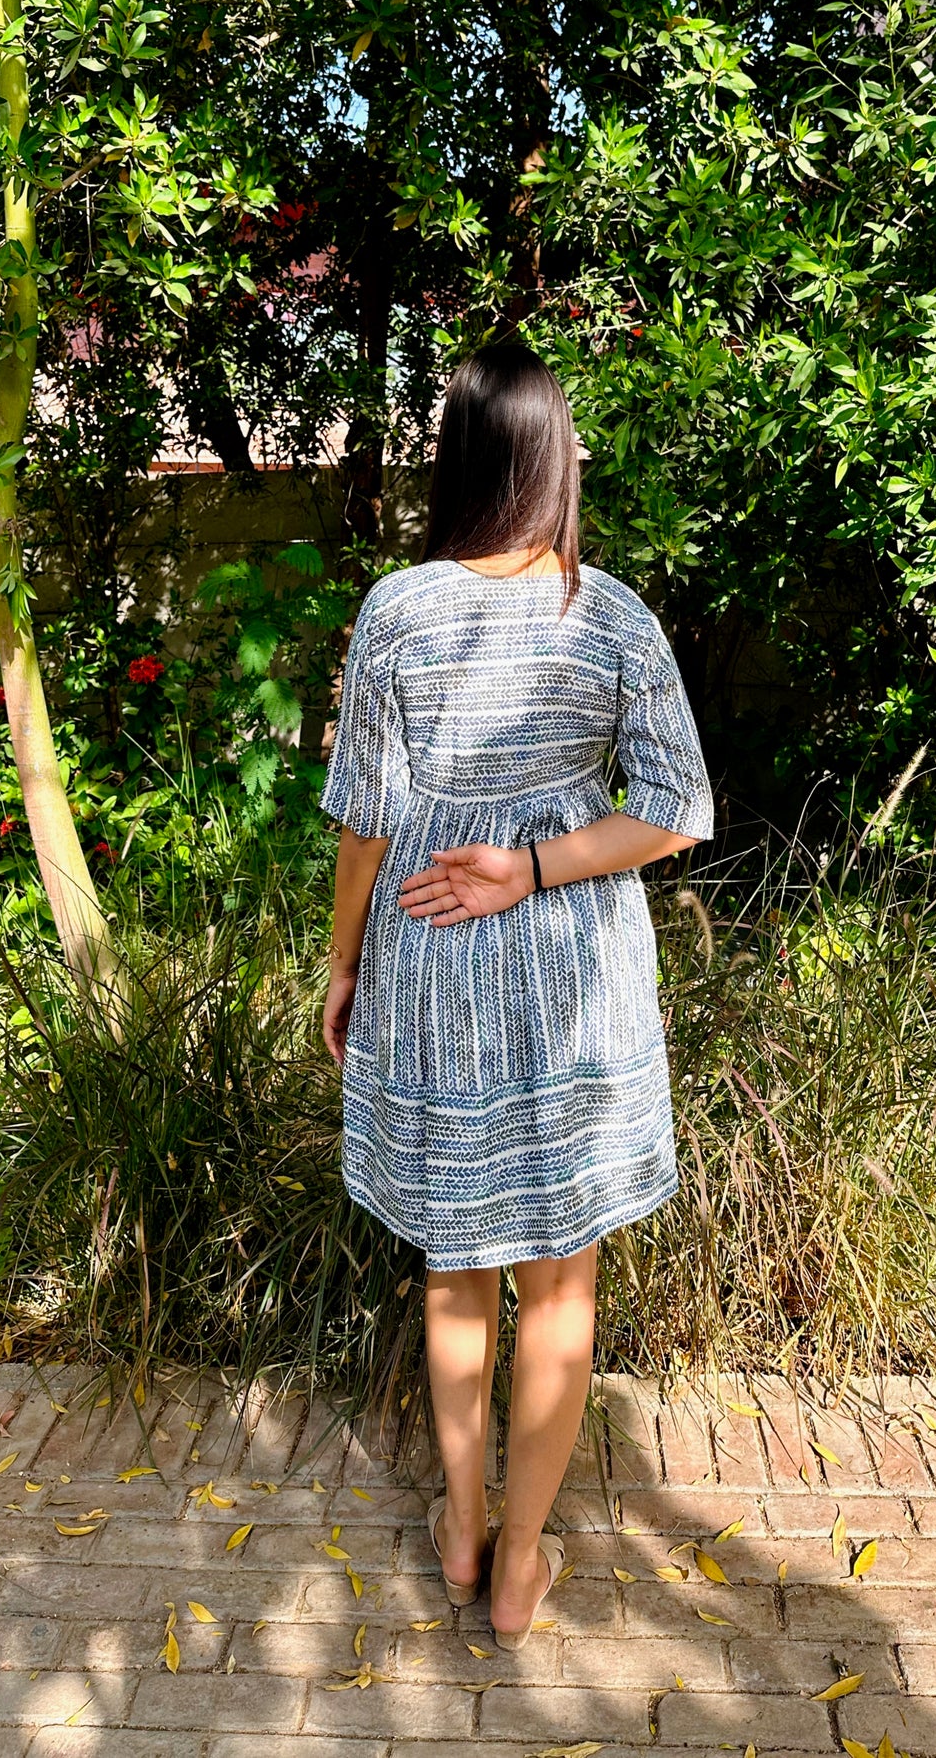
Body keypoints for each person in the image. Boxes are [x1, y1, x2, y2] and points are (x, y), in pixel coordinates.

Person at [319, 342, 713, 1651]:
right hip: (572, 969)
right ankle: (524, 1559)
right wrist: (538, 863)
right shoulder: (609, 615)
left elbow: (367, 820)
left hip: (430, 957)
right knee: (560, 1284)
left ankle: (458, 1524)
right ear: (552, 462)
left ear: (457, 458)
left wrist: (342, 963)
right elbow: (672, 812)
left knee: (453, 1268)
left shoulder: (397, 608)